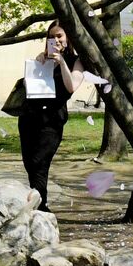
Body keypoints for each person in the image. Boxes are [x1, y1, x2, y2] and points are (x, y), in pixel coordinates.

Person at [18, 20, 85, 212]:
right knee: (31, 165)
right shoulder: (41, 59)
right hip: (30, 117)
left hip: (52, 121)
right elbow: (32, 85)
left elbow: (71, 86)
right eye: (51, 37)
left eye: (59, 36)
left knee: (40, 162)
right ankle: (39, 205)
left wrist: (61, 62)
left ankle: (41, 208)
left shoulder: (76, 61)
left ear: (68, 38)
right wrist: (31, 75)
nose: (55, 40)